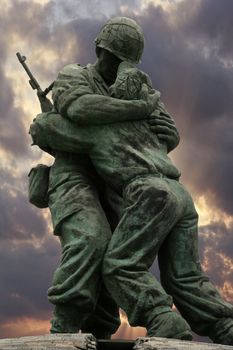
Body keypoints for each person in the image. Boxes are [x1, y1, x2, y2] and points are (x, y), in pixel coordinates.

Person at [30, 17, 233, 345]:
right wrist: (137, 108)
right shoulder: (78, 78)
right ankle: (66, 328)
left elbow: (163, 128)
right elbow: (67, 115)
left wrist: (166, 129)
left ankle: (163, 320)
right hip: (81, 175)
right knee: (90, 241)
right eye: (115, 59)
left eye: (125, 63)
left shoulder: (137, 90)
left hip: (131, 186)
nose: (119, 68)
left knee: (120, 264)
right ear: (99, 51)